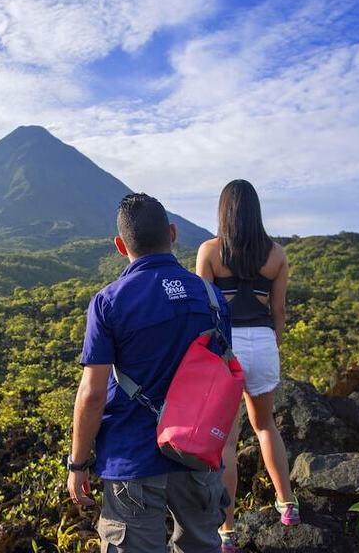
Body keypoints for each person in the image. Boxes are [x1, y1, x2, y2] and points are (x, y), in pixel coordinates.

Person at [67, 193, 233, 553]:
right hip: (198, 455)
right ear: (173, 233)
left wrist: (78, 462)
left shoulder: (109, 301)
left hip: (133, 456)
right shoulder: (211, 297)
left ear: (119, 245)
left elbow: (92, 394)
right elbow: (224, 379)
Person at [195, 179, 300, 552]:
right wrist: (273, 344)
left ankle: (227, 531)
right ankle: (287, 505)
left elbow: (203, 311)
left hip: (226, 348)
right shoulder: (276, 255)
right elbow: (279, 311)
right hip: (262, 343)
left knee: (225, 440)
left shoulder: (209, 251)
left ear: (224, 211)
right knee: (266, 425)